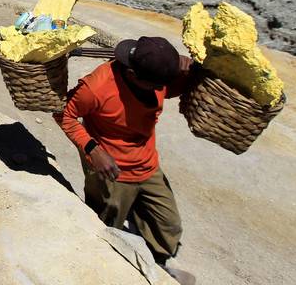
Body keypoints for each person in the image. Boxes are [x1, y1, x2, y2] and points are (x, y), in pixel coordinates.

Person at [55, 36, 197, 285]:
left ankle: (155, 264)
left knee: (168, 225)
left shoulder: (155, 78)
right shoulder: (97, 88)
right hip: (112, 170)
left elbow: (172, 88)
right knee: (107, 226)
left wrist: (188, 73)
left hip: (147, 163)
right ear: (132, 74)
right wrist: (94, 150)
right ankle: (108, 272)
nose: (162, 88)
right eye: (157, 84)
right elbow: (64, 115)